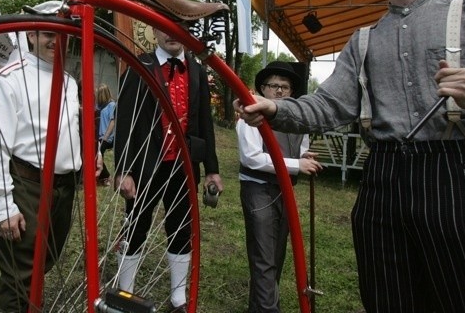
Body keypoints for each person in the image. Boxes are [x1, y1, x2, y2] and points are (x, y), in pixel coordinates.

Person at [234, 0, 465, 313]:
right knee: (387, 297)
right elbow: (326, 106)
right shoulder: (362, 41)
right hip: (384, 180)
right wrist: (275, 108)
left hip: (458, 175)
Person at [0, 25, 85, 312]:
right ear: (32, 36)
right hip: (28, 187)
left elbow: (68, 128)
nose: (55, 41)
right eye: (49, 33)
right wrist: (2, 206)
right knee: (19, 274)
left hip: (63, 188)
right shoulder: (10, 79)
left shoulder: (69, 81)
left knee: (44, 262)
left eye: (62, 35)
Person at [114, 25, 223, 312]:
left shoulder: (197, 71)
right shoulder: (140, 66)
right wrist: (123, 169)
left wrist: (211, 168)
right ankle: (126, 293)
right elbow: (124, 121)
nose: (172, 34)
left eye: (180, 29)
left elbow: (205, 124)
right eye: (165, 28)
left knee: (181, 228)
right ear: (154, 31)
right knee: (136, 225)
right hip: (145, 166)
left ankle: (178, 298)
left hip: (183, 165)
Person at [237, 61, 322, 313]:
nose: (279, 91)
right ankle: (267, 309)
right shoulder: (251, 116)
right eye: (273, 85)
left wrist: (305, 158)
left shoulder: (296, 119)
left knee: (277, 254)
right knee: (264, 256)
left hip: (285, 190)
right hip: (258, 189)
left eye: (285, 86)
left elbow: (301, 148)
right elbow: (251, 157)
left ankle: (261, 306)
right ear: (263, 88)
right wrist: (297, 164)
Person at [96, 83, 115, 185]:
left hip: (106, 137)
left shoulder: (111, 105)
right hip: (98, 136)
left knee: (98, 152)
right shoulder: (99, 106)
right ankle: (101, 176)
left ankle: (106, 176)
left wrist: (106, 137)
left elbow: (113, 121)